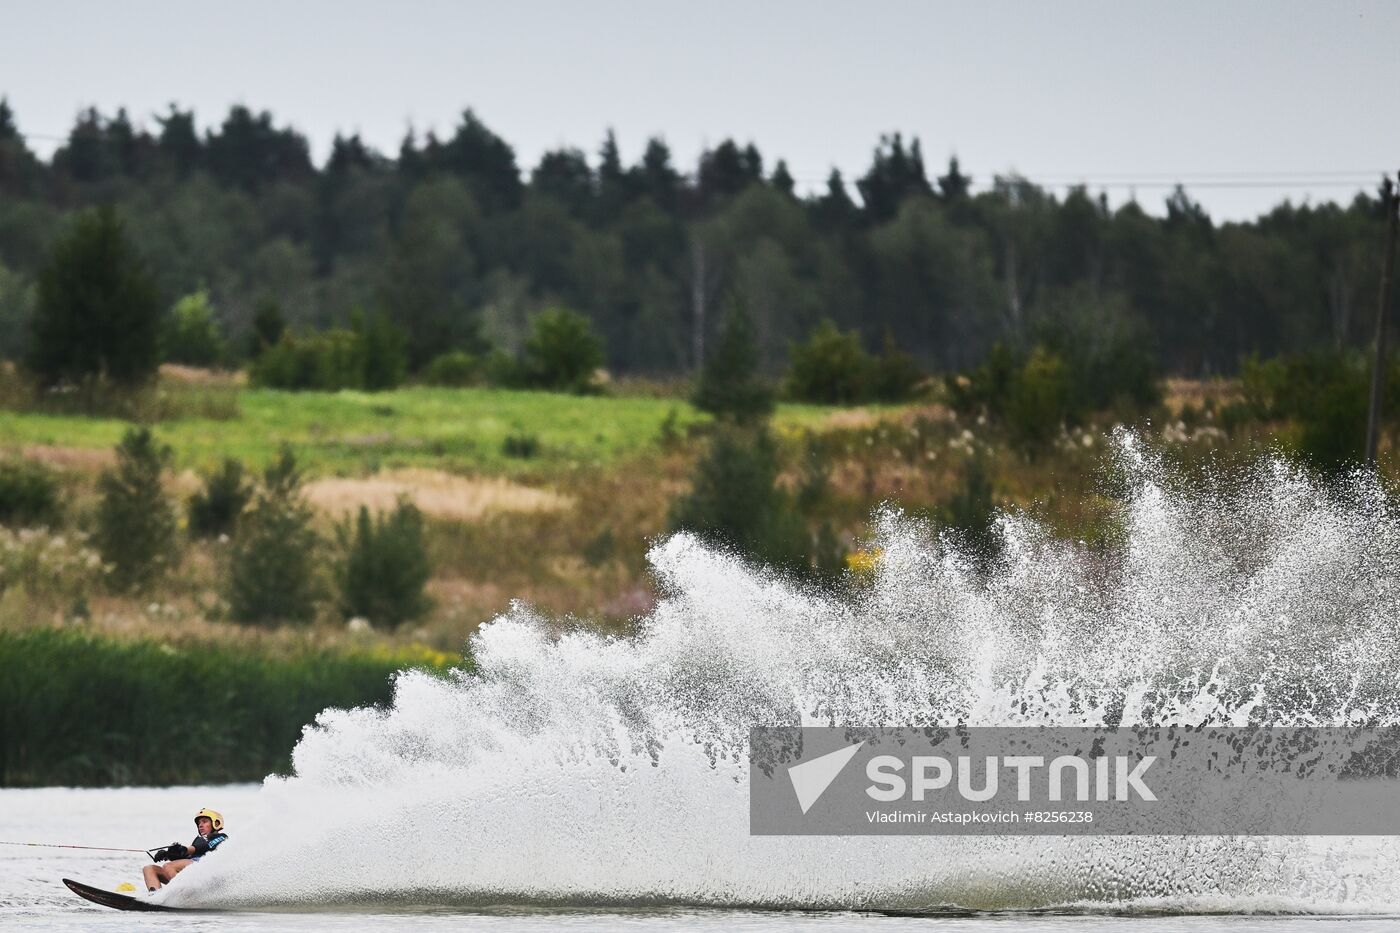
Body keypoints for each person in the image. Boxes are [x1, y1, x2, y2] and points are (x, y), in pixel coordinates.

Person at [141, 808, 228, 893]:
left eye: (204, 822)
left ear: (216, 823)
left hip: (208, 872)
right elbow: (188, 855)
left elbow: (200, 847)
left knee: (169, 866)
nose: (200, 825)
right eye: (199, 823)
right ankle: (155, 896)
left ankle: (183, 896)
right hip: (194, 873)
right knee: (149, 869)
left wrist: (184, 849)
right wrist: (168, 854)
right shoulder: (199, 839)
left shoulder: (221, 837)